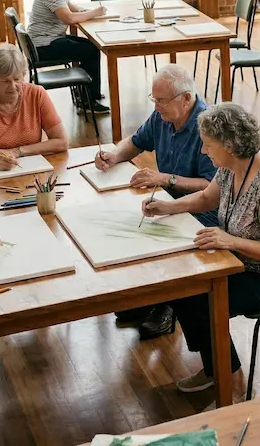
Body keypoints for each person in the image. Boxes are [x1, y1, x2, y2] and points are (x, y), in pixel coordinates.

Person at [148, 103, 260, 395]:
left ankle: (230, 379)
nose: (203, 151)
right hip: (248, 263)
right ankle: (218, 368)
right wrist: (167, 206)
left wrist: (230, 240)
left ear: (229, 145)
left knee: (201, 300)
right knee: (183, 288)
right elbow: (205, 199)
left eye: (208, 145)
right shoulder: (231, 166)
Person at [94, 64, 218, 336]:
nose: (157, 106)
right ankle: (148, 297)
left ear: (186, 99)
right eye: (155, 99)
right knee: (129, 223)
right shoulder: (163, 116)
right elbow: (137, 141)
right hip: (167, 198)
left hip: (202, 208)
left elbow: (211, 188)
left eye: (161, 100)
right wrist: (114, 156)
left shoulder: (207, 126)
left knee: (157, 233)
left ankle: (169, 305)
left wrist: (165, 179)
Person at [28, 0, 111, 113]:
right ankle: (87, 102)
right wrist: (95, 12)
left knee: (91, 45)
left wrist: (85, 11)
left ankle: (88, 94)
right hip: (44, 45)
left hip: (48, 39)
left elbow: (72, 8)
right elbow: (70, 18)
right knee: (91, 51)